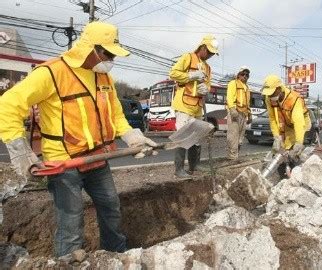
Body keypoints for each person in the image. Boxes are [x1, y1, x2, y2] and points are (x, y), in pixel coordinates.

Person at [0, 22, 157, 257]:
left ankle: (115, 256)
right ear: (89, 48)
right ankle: (68, 261)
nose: (112, 58)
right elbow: (8, 105)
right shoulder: (52, 72)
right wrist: (21, 153)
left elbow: (115, 114)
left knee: (111, 208)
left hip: (97, 158)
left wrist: (133, 136)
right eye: (108, 53)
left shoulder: (104, 78)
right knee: (71, 222)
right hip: (64, 163)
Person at [169, 35, 218, 179]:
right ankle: (179, 169)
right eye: (208, 52)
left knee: (196, 137)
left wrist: (206, 89)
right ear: (202, 47)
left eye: (212, 54)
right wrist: (190, 76)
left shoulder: (208, 68)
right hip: (184, 104)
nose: (210, 55)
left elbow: (208, 84)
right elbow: (173, 73)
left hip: (197, 106)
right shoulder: (188, 57)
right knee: (183, 136)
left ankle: (193, 165)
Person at [262, 74, 305, 178]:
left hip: (299, 124)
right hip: (285, 125)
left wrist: (299, 142)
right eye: (268, 94)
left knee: (293, 151)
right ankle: (277, 173)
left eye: (272, 93)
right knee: (279, 149)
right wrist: (276, 136)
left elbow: (299, 122)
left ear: (279, 89)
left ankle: (297, 172)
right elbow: (272, 118)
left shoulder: (294, 99)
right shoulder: (269, 99)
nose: (270, 96)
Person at [226, 66, 252, 160]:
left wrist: (249, 114)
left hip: (244, 114)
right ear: (238, 75)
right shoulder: (233, 83)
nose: (245, 76)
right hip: (235, 113)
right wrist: (232, 109)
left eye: (247, 75)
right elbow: (229, 97)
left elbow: (247, 103)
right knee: (233, 136)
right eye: (243, 74)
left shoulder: (247, 88)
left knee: (240, 137)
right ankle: (232, 158)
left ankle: (236, 156)